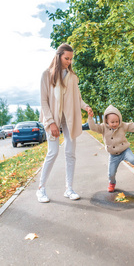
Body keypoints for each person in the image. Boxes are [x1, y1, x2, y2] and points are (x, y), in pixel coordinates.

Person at [36, 43, 93, 203]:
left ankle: (69, 189)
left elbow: (78, 98)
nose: (69, 61)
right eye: (66, 58)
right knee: (53, 152)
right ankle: (41, 189)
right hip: (52, 118)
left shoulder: (72, 77)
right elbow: (43, 101)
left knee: (70, 153)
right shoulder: (46, 75)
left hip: (69, 119)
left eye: (71, 59)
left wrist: (86, 106)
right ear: (59, 56)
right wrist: (51, 122)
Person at [88, 105, 134, 192]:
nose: (115, 124)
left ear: (120, 119)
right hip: (113, 155)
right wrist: (90, 118)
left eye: (117, 121)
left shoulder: (123, 126)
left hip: (124, 150)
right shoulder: (103, 127)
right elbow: (93, 127)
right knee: (111, 173)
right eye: (112, 122)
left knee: (133, 159)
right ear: (106, 120)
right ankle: (112, 183)